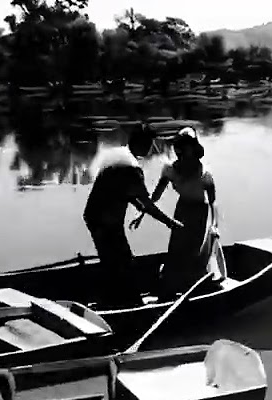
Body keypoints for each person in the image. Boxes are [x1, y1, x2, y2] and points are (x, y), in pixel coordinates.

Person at [83, 124, 182, 307]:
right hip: (106, 221)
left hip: (93, 215)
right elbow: (148, 204)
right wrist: (170, 223)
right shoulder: (132, 168)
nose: (151, 148)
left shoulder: (118, 154)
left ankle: (111, 300)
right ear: (141, 143)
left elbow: (123, 191)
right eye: (149, 143)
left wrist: (138, 206)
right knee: (123, 262)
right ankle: (129, 304)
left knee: (111, 259)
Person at [131, 127, 228, 296]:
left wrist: (214, 226)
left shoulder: (204, 174)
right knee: (176, 249)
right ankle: (171, 285)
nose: (183, 151)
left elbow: (213, 203)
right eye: (181, 147)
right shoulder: (171, 169)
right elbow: (156, 195)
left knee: (193, 251)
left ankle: (193, 286)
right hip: (182, 209)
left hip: (199, 211)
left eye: (187, 146)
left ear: (194, 148)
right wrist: (142, 214)